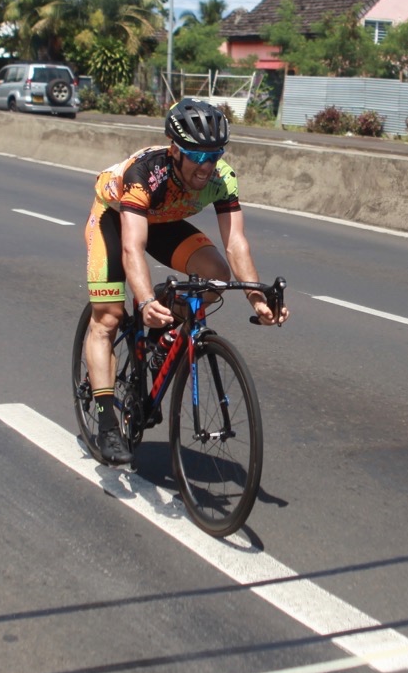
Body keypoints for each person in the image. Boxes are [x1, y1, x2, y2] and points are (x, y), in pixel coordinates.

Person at [83, 97, 289, 465]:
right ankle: (107, 423)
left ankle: (164, 332)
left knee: (216, 276)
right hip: (115, 219)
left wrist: (256, 298)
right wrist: (145, 300)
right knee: (109, 317)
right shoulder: (145, 174)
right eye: (196, 155)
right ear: (175, 150)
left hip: (163, 220)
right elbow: (133, 248)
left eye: (214, 155)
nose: (206, 166)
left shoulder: (222, 177)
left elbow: (235, 242)